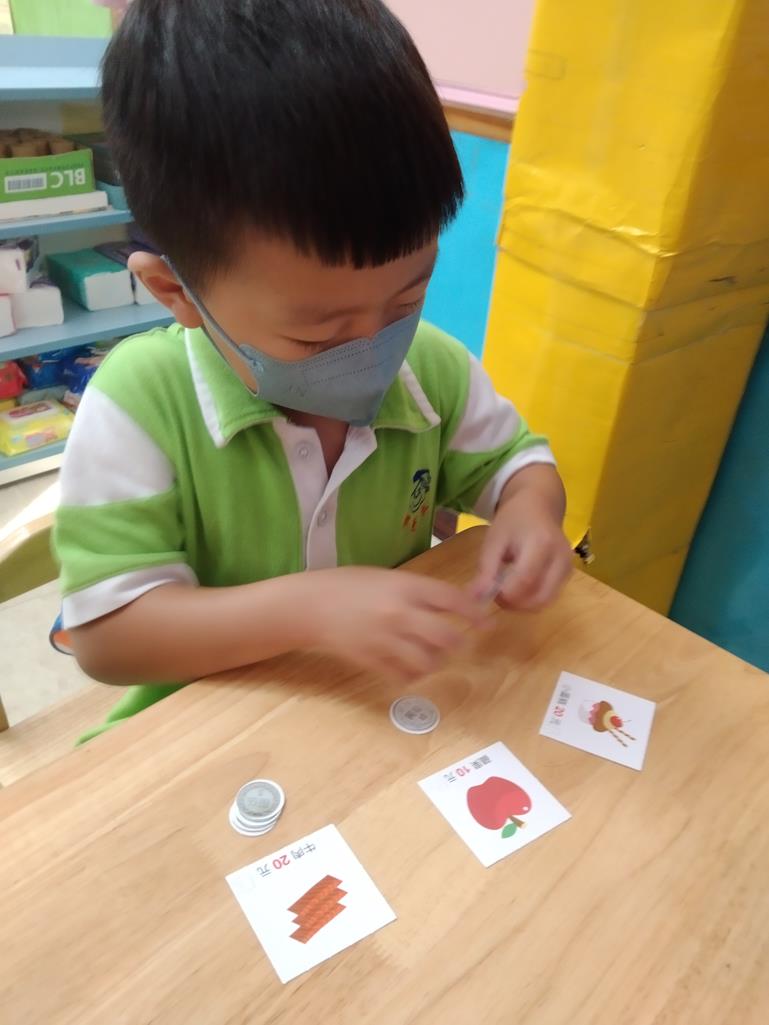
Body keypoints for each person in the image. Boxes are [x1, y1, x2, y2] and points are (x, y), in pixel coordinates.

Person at [55, 0, 573, 742]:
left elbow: (518, 464)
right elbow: (108, 640)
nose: (374, 346)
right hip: (202, 740)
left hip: (373, 718)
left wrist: (531, 513)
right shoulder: (139, 404)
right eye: (317, 332)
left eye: (407, 299)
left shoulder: (429, 368)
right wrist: (310, 609)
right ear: (177, 294)